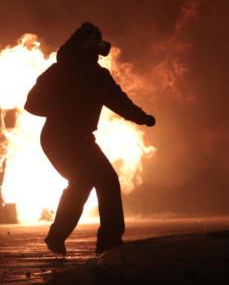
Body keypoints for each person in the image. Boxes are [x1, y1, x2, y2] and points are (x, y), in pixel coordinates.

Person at [25, 22, 156, 255]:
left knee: (87, 182)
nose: (98, 44)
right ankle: (105, 241)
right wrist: (61, 107)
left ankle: (62, 237)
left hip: (81, 138)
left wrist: (141, 117)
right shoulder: (58, 72)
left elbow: (119, 101)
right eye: (92, 40)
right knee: (99, 180)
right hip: (57, 137)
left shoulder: (98, 76)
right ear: (81, 44)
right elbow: (31, 103)